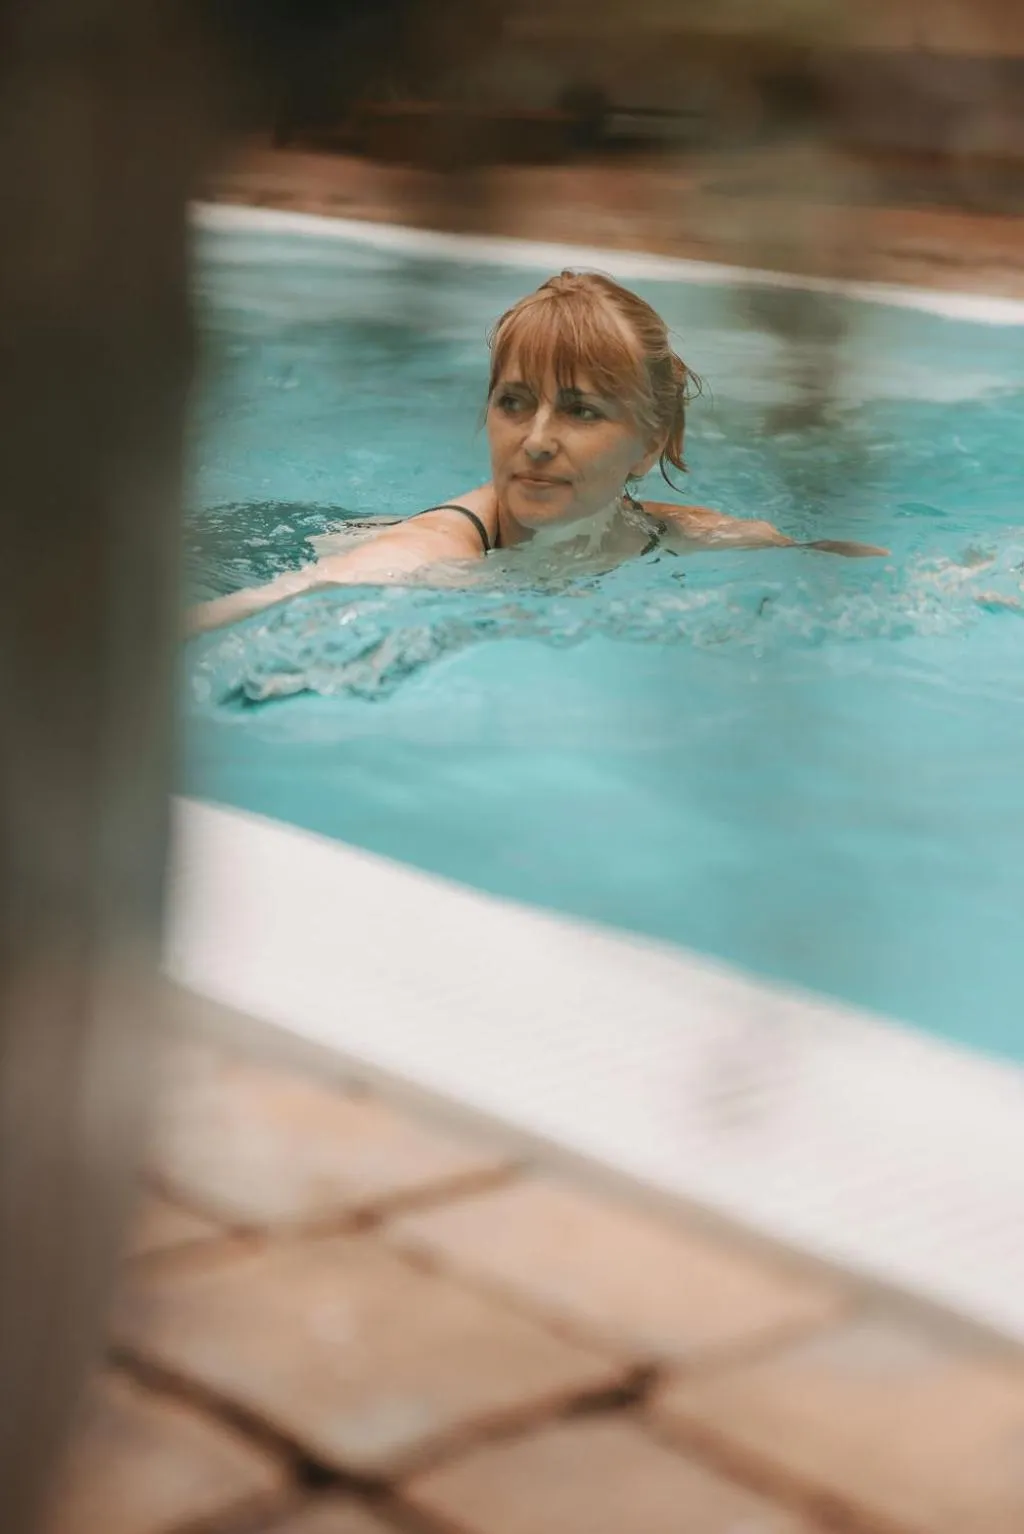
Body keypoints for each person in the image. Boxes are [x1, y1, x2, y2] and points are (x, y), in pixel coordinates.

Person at [187, 270, 887, 636]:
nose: (538, 439)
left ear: (650, 446)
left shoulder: (677, 533)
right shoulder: (430, 555)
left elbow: (841, 562)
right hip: (248, 544)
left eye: (580, 410)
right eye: (514, 402)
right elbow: (262, 604)